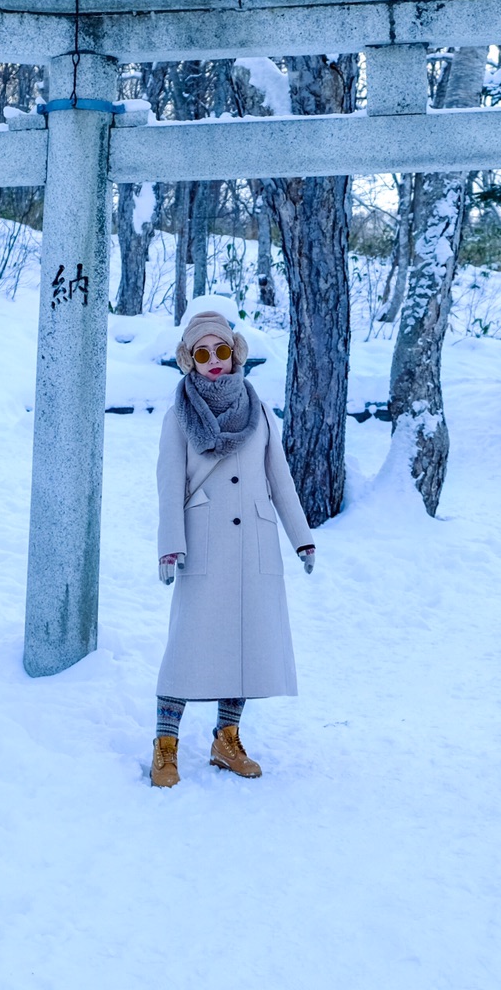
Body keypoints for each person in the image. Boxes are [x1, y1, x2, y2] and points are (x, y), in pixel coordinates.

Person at [151, 309, 316, 788]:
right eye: (203, 354)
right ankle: (166, 745)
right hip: (204, 545)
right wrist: (168, 545)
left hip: (254, 543)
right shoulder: (178, 417)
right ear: (190, 360)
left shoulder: (259, 410)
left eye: (221, 350)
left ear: (234, 351)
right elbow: (168, 485)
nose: (214, 361)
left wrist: (301, 536)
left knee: (244, 645)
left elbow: (278, 476)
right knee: (187, 648)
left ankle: (227, 738)